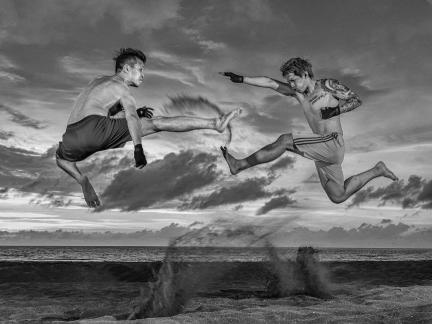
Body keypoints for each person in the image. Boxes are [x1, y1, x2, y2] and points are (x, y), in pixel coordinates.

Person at [56, 48, 240, 208]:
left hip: (71, 136)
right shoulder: (121, 87)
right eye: (140, 69)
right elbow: (131, 117)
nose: (143, 75)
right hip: (95, 129)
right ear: (126, 69)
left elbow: (106, 113)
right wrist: (138, 149)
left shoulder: (97, 81)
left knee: (60, 157)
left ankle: (83, 180)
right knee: (156, 122)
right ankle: (215, 124)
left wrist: (131, 112)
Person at [220, 57, 398, 204]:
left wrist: (336, 110)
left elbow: (356, 100)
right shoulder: (299, 94)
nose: (291, 84)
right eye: (289, 80)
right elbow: (270, 82)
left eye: (293, 80)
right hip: (321, 147)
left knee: (285, 141)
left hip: (332, 142)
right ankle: (377, 170)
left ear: (305, 74)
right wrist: (242, 79)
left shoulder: (327, 86)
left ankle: (240, 165)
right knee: (338, 195)